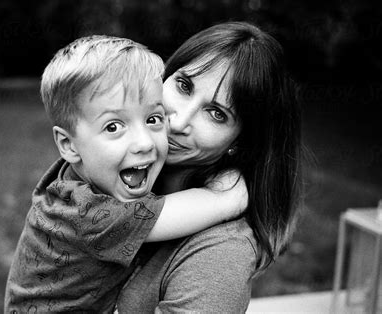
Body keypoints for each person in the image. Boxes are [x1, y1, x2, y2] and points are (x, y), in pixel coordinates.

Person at [5, 35, 248, 313]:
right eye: (113, 127)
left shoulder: (74, 177)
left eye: (153, 119)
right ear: (69, 145)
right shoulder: (90, 216)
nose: (144, 142)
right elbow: (188, 210)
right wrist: (232, 197)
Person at [116, 21, 302, 313]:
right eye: (183, 85)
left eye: (216, 113)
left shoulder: (221, 252)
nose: (177, 122)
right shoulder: (108, 170)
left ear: (240, 141)